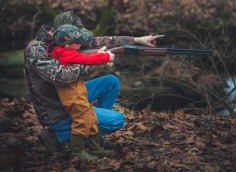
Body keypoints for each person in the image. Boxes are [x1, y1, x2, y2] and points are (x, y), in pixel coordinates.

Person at [24, 11, 163, 161]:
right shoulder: (36, 50)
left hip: (71, 94)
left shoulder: (64, 40)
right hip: (56, 109)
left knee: (111, 82)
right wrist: (94, 61)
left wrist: (136, 40)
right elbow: (62, 76)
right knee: (116, 120)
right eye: (78, 37)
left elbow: (98, 41)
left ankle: (94, 137)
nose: (81, 42)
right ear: (66, 37)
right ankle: (56, 136)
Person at [47, 23, 115, 160]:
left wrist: (98, 53)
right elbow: (86, 59)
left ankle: (95, 148)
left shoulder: (66, 50)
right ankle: (77, 151)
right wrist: (105, 57)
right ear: (68, 45)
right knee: (81, 121)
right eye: (78, 42)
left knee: (91, 118)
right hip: (72, 95)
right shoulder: (64, 54)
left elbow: (84, 56)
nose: (81, 44)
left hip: (78, 92)